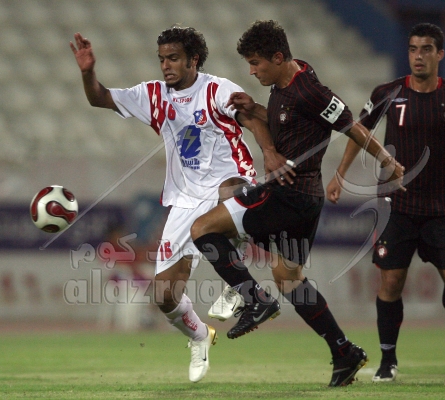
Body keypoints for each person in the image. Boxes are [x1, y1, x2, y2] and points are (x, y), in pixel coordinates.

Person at [190, 20, 406, 387]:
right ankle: (344, 352)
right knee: (288, 279)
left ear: (277, 57)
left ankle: (254, 299)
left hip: (287, 196)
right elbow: (286, 121)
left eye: (256, 63)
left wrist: (389, 161)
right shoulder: (286, 83)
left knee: (202, 228)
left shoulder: (310, 90)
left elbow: (353, 126)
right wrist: (256, 109)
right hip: (306, 200)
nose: (252, 71)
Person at [70, 26, 288, 383]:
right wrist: (87, 72)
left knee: (229, 196)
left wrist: (269, 152)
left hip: (231, 179)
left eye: (173, 58)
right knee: (164, 295)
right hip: (185, 200)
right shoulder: (153, 95)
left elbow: (251, 118)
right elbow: (100, 98)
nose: (165, 66)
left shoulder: (217, 89)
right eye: (161, 59)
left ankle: (242, 288)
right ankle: (200, 336)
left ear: (193, 60)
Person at [327, 23, 445, 382]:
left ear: (440, 54)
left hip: (443, 206)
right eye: (412, 49)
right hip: (397, 206)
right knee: (391, 283)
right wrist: (340, 173)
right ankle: (388, 360)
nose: (418, 56)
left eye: (426, 49)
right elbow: (358, 132)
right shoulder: (387, 93)